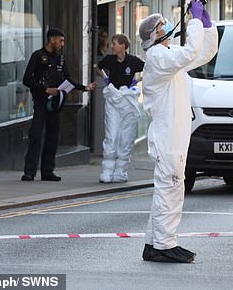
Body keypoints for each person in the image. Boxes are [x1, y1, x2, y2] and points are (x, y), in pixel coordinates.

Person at [138, 0, 218, 263]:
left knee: (170, 187)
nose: (167, 27)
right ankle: (163, 244)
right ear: (155, 35)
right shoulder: (158, 57)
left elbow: (201, 53)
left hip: (173, 134)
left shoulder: (167, 56)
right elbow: (188, 53)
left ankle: (156, 242)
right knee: (170, 187)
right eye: (162, 26)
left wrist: (206, 24)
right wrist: (194, 21)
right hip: (167, 136)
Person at [21, 28, 96, 182]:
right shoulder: (38, 56)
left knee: (53, 137)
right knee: (36, 135)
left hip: (55, 103)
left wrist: (84, 88)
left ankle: (48, 171)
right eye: (60, 41)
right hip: (42, 102)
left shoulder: (60, 59)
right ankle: (29, 171)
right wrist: (45, 89)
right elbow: (27, 79)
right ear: (52, 40)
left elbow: (67, 80)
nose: (62, 44)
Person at [96, 33, 145, 183]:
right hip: (113, 100)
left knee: (126, 136)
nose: (112, 46)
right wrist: (105, 78)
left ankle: (120, 171)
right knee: (112, 135)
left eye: (115, 43)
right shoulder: (109, 60)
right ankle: (107, 171)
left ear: (123, 46)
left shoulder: (133, 61)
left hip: (127, 101)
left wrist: (137, 80)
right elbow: (97, 67)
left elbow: (149, 68)